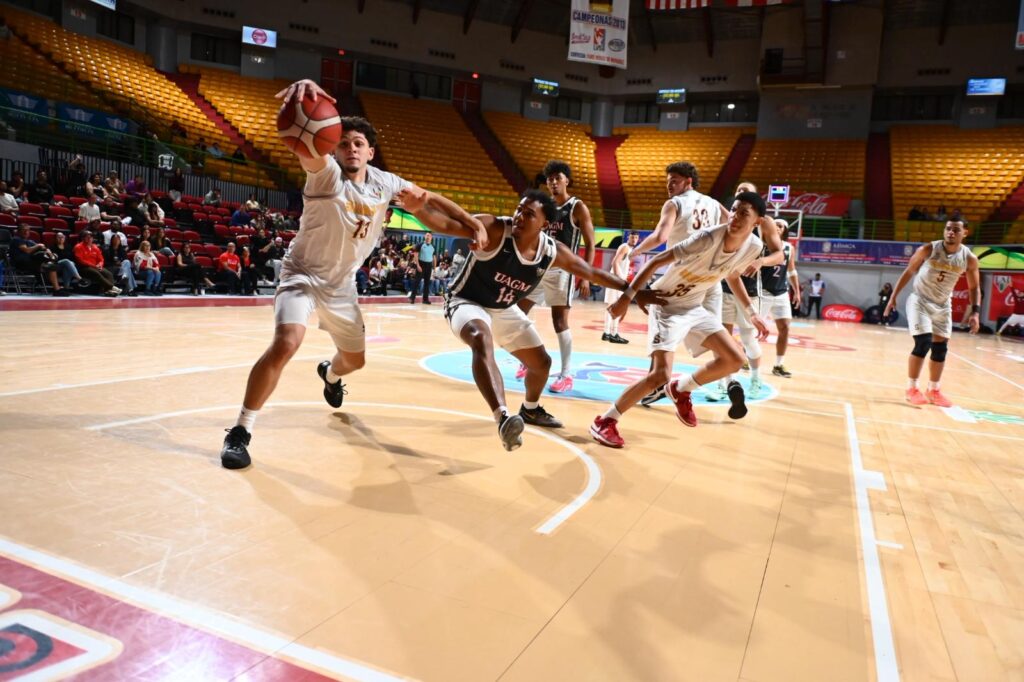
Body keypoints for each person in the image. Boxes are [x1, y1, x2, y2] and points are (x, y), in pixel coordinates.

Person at [219, 78, 487, 470]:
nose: (350, 148)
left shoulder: (386, 182)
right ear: (332, 145)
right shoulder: (325, 174)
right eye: (343, 142)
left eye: (358, 143)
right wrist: (307, 101)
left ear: (370, 151)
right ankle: (240, 431)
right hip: (303, 275)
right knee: (286, 342)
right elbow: (304, 147)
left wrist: (472, 226)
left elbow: (430, 202)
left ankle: (329, 373)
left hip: (342, 286)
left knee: (355, 362)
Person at [425, 190, 664, 450]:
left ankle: (530, 409)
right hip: (466, 301)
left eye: (529, 214)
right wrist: (418, 204)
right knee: (481, 339)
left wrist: (633, 292)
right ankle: (503, 418)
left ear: (545, 224)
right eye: (519, 210)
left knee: (541, 363)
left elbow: (591, 272)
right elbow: (447, 223)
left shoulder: (551, 251)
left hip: (502, 308)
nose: (519, 217)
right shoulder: (495, 228)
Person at [592, 192, 771, 448]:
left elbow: (732, 275)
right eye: (734, 209)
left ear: (757, 222)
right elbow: (656, 261)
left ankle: (682, 388)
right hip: (666, 305)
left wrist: (752, 313)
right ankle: (605, 421)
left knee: (734, 359)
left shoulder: (753, 246)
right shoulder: (707, 237)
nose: (735, 216)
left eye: (744, 213)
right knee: (658, 375)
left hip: (694, 306)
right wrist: (626, 297)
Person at [513, 160, 596, 394]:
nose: (553, 182)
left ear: (566, 180)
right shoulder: (544, 206)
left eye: (558, 177)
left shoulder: (577, 207)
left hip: (562, 270)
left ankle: (566, 375)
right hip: (538, 266)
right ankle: (528, 360)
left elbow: (590, 244)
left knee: (559, 322)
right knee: (518, 313)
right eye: (550, 179)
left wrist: (586, 275)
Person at [883, 219, 980, 407]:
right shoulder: (928, 249)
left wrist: (975, 312)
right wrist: (893, 297)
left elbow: (974, 287)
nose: (950, 232)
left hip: (943, 305)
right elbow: (909, 271)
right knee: (923, 342)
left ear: (965, 233)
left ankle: (934, 390)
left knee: (940, 348)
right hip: (920, 300)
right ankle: (912, 388)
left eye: (956, 230)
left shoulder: (969, 258)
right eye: (948, 228)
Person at [759, 218, 800, 376]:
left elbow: (792, 271)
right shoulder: (761, 245)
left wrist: (796, 291)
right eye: (775, 224)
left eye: (781, 226)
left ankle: (778, 365)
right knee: (755, 329)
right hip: (763, 292)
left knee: (785, 328)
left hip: (781, 292)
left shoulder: (789, 247)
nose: (777, 227)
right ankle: (745, 358)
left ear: (785, 231)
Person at [11, 224, 69, 296]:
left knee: (52, 265)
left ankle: (56, 289)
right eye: (24, 230)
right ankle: (55, 288)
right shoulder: (16, 239)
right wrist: (38, 246)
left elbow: (43, 247)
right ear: (19, 231)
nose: (26, 232)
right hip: (20, 263)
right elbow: (27, 250)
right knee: (48, 265)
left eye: (28, 230)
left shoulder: (30, 241)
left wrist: (48, 251)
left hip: (32, 263)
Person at [603, 231, 638, 344]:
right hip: (616, 281)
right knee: (616, 307)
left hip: (614, 280)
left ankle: (607, 333)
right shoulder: (625, 247)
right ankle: (613, 334)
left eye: (636, 238)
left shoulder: (628, 249)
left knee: (611, 307)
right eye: (632, 237)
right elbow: (614, 262)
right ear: (628, 237)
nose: (634, 240)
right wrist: (620, 279)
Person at [73, 230, 119, 296]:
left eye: (91, 237)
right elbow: (81, 261)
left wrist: (100, 264)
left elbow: (101, 259)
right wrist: (94, 266)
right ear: (83, 238)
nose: (89, 239)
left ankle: (108, 291)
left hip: (96, 267)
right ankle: (112, 287)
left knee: (108, 274)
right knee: (96, 273)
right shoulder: (78, 247)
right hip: (84, 268)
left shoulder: (95, 247)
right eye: (87, 237)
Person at [408, 232, 436, 304]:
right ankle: (412, 298)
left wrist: (434, 268)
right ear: (424, 237)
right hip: (421, 264)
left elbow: (434, 258)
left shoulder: (433, 246)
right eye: (426, 235)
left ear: (431, 237)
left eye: (429, 236)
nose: (427, 237)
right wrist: (418, 265)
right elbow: (416, 255)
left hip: (429, 265)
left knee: (427, 283)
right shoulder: (420, 245)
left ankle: (425, 299)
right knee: (417, 281)